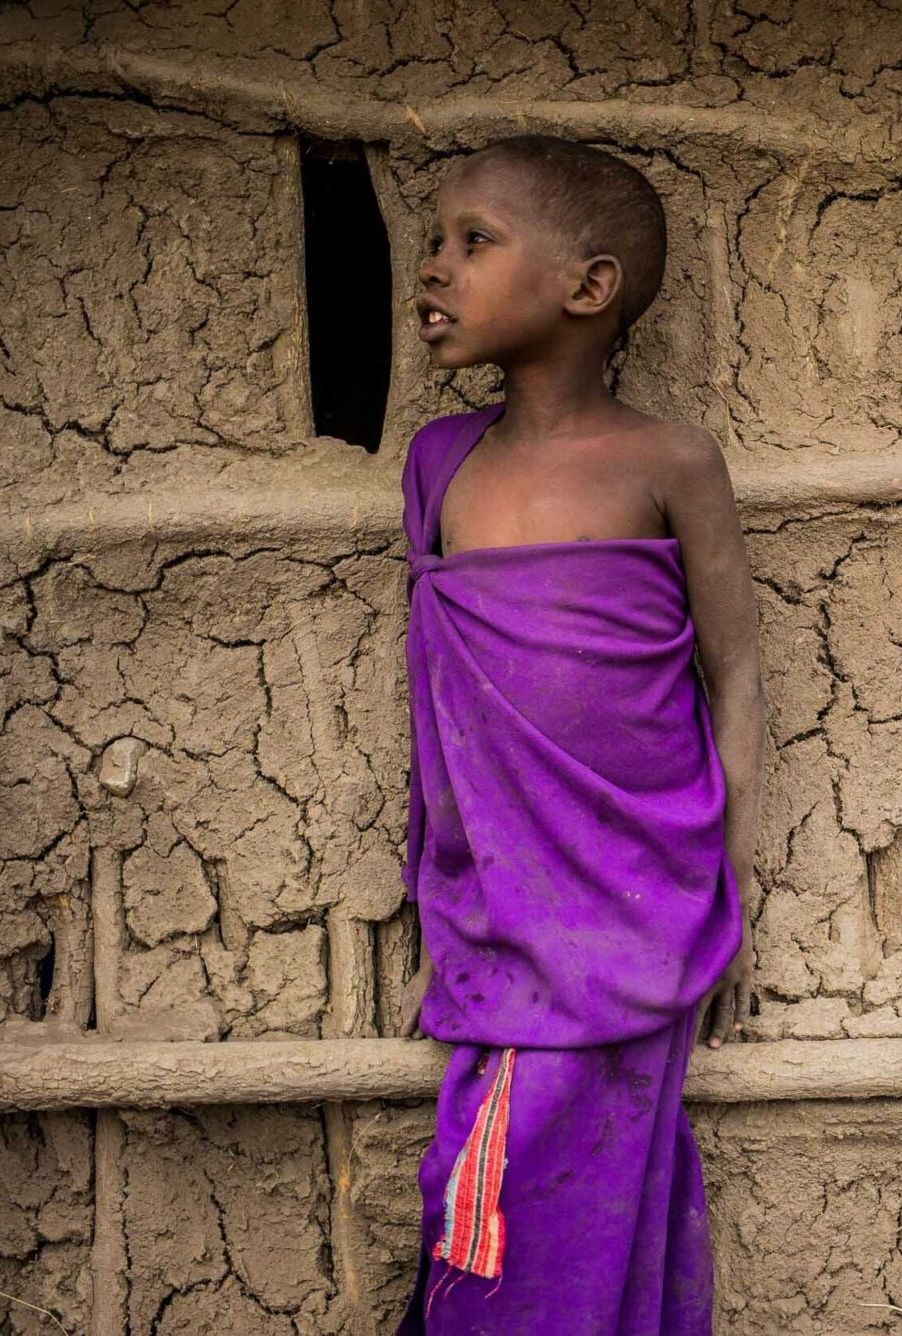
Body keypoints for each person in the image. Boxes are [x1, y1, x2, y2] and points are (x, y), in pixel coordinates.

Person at [391, 135, 763, 1334]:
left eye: (473, 242)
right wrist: (443, 913)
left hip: (644, 895)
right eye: (433, 243)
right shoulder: (440, 463)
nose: (432, 270)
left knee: (605, 1170)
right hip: (503, 909)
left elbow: (735, 669)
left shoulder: (669, 461)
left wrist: (729, 891)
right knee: (491, 1176)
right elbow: (443, 710)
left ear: (588, 288)